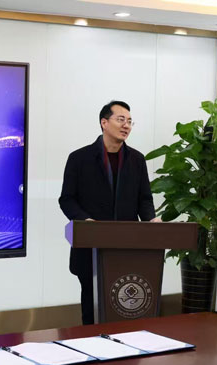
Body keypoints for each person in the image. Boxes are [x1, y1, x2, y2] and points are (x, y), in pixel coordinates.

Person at [59, 100, 159, 325]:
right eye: (121, 119)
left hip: (127, 246)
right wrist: (85, 220)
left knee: (127, 305)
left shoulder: (137, 159)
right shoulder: (79, 158)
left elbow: (144, 199)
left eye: (130, 121)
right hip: (90, 246)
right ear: (104, 123)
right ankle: (90, 342)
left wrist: (151, 219)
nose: (126, 125)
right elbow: (67, 199)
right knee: (91, 307)